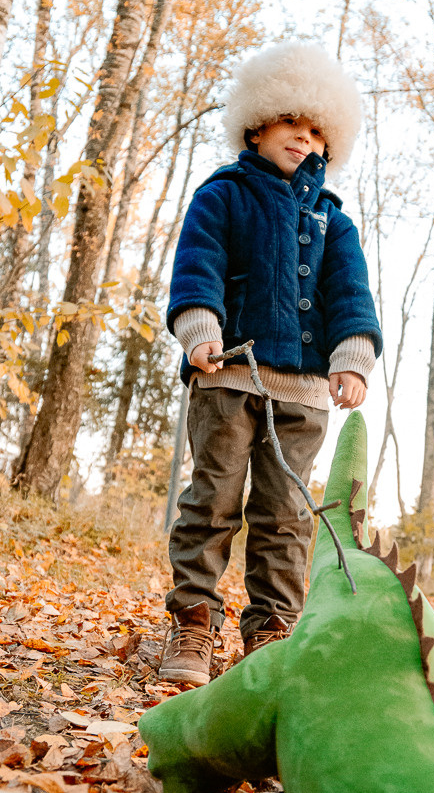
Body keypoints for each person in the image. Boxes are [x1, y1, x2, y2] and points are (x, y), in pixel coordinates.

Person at [159, 42, 382, 686]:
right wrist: (198, 326)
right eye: (291, 124)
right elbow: (196, 265)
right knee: (213, 497)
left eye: (316, 131)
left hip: (305, 392)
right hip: (228, 376)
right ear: (257, 125)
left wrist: (353, 358)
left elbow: (350, 297)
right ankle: (195, 619)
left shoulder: (333, 223)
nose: (303, 139)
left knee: (285, 514)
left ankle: (272, 634)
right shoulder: (223, 196)